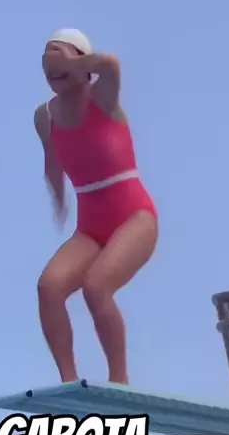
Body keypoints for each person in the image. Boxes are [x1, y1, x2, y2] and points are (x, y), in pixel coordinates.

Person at [34, 29, 158, 385]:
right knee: (49, 288)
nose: (51, 63)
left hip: (135, 216)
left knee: (96, 286)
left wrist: (75, 65)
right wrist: (57, 196)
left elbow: (111, 64)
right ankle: (69, 382)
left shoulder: (101, 97)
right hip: (90, 226)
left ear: (81, 62)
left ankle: (120, 380)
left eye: (59, 54)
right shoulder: (44, 116)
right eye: (46, 58)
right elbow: (52, 162)